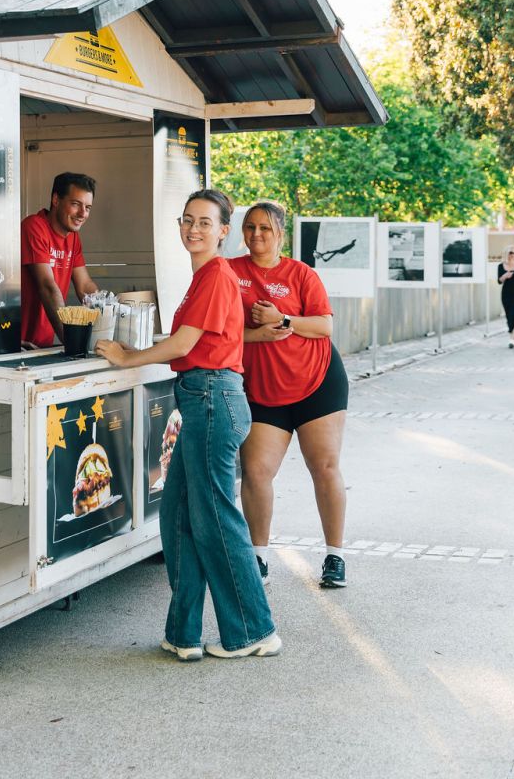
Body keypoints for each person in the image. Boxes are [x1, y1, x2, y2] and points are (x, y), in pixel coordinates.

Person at [95, 189, 280, 661]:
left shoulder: (216, 275)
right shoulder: (204, 276)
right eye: (187, 220)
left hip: (213, 400)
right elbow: (188, 342)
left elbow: (183, 345)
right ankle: (184, 634)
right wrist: (142, 351)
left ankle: (254, 630)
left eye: (204, 222)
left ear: (223, 232)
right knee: (179, 516)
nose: (193, 229)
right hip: (203, 400)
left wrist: (129, 358)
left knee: (216, 519)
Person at [228, 200, 349, 589]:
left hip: (317, 382)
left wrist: (282, 319)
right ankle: (258, 557)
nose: (256, 234)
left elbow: (324, 326)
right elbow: (219, 329)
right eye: (250, 227)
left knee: (324, 466)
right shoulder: (230, 272)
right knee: (256, 471)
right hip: (264, 388)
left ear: (280, 233)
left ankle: (334, 556)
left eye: (265, 228)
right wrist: (257, 334)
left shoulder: (301, 274)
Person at [20, 172, 98, 348]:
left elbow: (85, 286)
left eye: (88, 207)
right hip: (20, 344)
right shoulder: (34, 226)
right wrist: (72, 342)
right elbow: (47, 286)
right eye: (75, 204)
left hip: (43, 345)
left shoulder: (73, 238)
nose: (82, 213)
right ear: (56, 200)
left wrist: (108, 311)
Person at [497, 247, 514, 348]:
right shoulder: (501, 266)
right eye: (511, 252)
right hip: (506, 294)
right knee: (508, 315)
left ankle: (512, 338)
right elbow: (499, 281)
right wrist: (505, 276)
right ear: (506, 253)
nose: (513, 255)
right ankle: (513, 336)